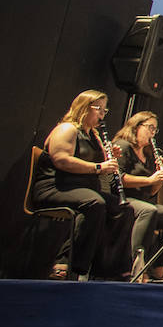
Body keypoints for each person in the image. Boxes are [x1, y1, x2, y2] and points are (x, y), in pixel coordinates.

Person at [31, 90, 136, 280]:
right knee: (95, 204)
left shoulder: (94, 135)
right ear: (84, 108)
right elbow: (61, 160)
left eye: (105, 110)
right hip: (55, 186)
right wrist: (98, 166)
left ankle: (108, 270)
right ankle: (68, 263)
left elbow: (95, 163)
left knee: (124, 209)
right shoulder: (67, 129)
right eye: (99, 109)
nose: (102, 115)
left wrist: (109, 155)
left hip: (82, 189)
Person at [113, 110, 163, 280]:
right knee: (148, 211)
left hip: (141, 200)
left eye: (155, 130)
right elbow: (118, 178)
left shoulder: (147, 154)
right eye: (150, 128)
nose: (152, 133)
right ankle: (135, 264)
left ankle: (160, 267)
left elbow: (151, 191)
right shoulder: (123, 146)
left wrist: (160, 178)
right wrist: (150, 179)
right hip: (122, 198)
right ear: (136, 126)